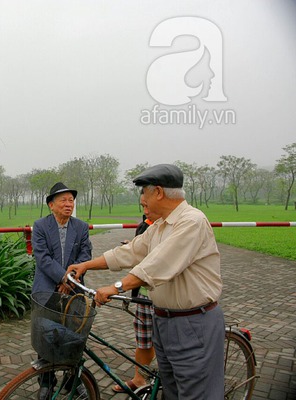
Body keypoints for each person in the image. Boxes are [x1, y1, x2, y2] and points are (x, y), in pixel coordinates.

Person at [66, 164, 225, 400]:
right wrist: (86, 265)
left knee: (194, 392)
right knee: (171, 390)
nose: (143, 202)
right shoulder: (160, 225)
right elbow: (130, 252)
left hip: (192, 322)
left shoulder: (191, 222)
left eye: (144, 195)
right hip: (163, 320)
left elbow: (157, 265)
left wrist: (117, 287)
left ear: (158, 192)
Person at [32, 182, 92, 400]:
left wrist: (70, 281)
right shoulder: (40, 226)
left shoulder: (81, 227)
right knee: (45, 336)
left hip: (73, 291)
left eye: (71, 200)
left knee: (74, 338)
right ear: (51, 205)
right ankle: (46, 382)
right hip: (47, 291)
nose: (69, 204)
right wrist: (62, 277)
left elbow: (85, 255)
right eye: (63, 201)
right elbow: (42, 257)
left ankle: (71, 380)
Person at [112, 209, 159, 393]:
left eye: (149, 204)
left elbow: (156, 261)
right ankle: (139, 378)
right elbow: (137, 253)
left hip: (166, 297)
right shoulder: (146, 225)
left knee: (166, 342)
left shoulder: (177, 227)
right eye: (143, 205)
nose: (147, 209)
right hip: (144, 295)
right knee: (144, 339)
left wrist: (116, 287)